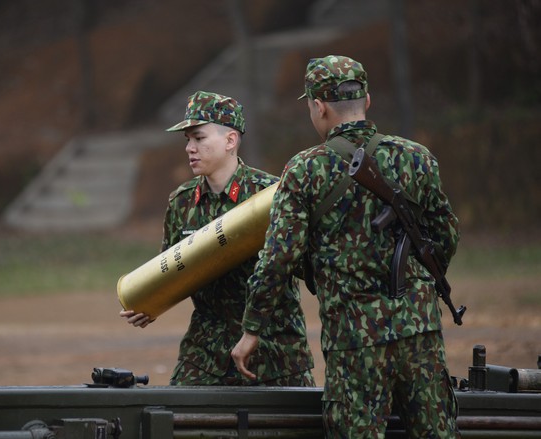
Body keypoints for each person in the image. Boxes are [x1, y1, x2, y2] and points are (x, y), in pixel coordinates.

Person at [231, 56, 461, 437]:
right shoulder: (415, 157)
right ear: (367, 100)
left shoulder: (305, 169)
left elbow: (279, 257)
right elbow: (446, 236)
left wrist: (252, 328)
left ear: (318, 107)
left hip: (355, 342)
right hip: (420, 333)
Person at [120, 90, 315, 386]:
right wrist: (152, 301)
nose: (190, 148)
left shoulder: (270, 195)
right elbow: (174, 269)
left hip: (274, 350)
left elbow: (299, 264)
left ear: (230, 140)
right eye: (188, 140)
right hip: (206, 352)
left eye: (199, 138)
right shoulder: (182, 202)